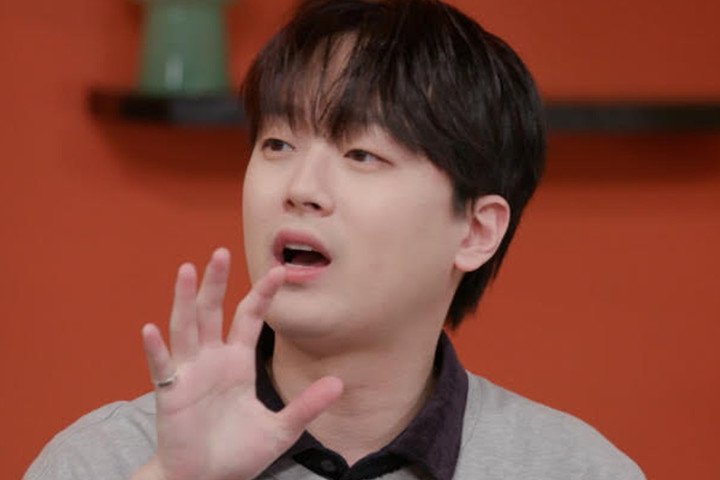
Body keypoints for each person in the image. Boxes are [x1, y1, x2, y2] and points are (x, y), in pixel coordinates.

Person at [25, 1, 645, 479]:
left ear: (475, 231)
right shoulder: (105, 460)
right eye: (278, 144)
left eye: (361, 154)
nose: (301, 187)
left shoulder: (577, 468)